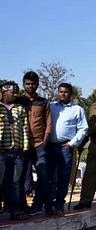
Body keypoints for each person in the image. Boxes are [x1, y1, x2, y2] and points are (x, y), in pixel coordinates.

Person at [15, 71, 54, 216]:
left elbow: (48, 122)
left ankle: (44, 206)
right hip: (22, 145)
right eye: (28, 84)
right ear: (23, 84)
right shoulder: (18, 101)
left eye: (33, 83)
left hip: (39, 144)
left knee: (43, 175)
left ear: (37, 84)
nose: (30, 86)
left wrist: (45, 139)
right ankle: (22, 206)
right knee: (20, 176)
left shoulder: (43, 102)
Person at [48, 83, 88, 214]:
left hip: (66, 147)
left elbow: (83, 128)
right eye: (60, 92)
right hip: (50, 146)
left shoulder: (77, 109)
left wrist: (72, 143)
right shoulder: (51, 106)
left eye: (65, 92)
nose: (63, 94)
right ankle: (48, 205)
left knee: (63, 176)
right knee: (48, 177)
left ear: (70, 93)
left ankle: (59, 204)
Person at [0, 81, 30, 220]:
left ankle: (15, 211)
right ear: (4, 92)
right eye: (12, 92)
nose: (15, 95)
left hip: (17, 151)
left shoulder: (20, 108)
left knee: (15, 182)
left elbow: (25, 128)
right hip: (2, 151)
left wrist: (25, 146)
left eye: (16, 92)